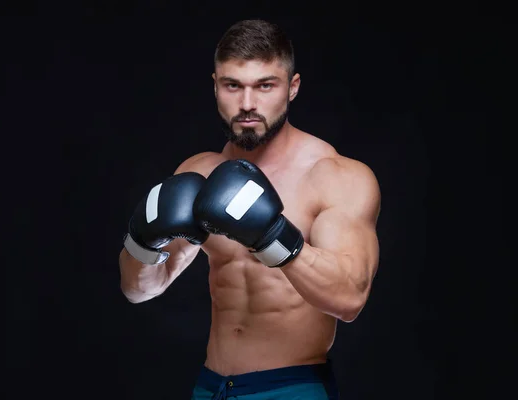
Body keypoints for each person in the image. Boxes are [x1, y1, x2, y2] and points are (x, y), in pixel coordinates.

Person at [119, 19, 381, 400]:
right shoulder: (198, 172)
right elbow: (138, 289)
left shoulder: (335, 176)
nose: (246, 104)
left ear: (292, 88)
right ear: (215, 86)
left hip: (290, 387)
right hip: (211, 388)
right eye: (233, 86)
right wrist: (144, 240)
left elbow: (350, 299)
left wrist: (271, 235)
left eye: (265, 85)